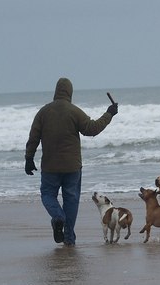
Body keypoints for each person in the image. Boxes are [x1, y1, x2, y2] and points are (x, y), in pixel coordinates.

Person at [25, 77, 118, 246]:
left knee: (47, 195)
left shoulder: (43, 112)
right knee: (71, 200)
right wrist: (109, 113)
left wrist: (29, 158)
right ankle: (69, 238)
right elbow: (92, 129)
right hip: (72, 167)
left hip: (50, 167)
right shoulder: (74, 111)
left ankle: (58, 217)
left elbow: (33, 137)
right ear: (70, 93)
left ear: (56, 91)